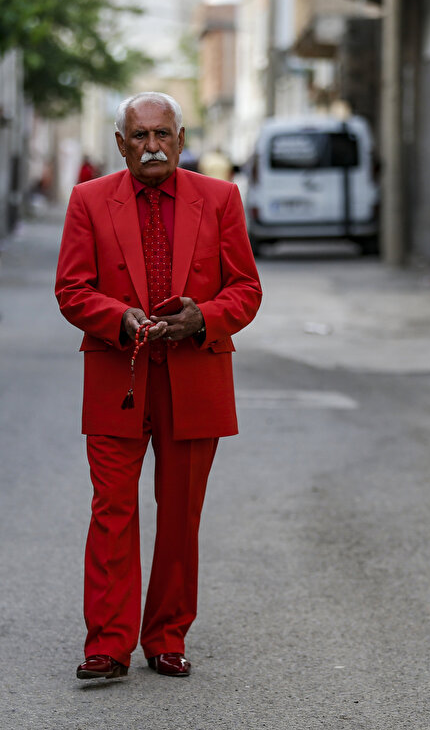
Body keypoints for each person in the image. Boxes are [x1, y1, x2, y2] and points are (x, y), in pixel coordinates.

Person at [55, 92, 263, 681]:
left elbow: (246, 289)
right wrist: (117, 317)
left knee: (179, 516)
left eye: (163, 134)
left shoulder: (220, 198)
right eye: (140, 136)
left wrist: (205, 318)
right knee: (112, 510)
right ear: (121, 145)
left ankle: (167, 636)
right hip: (117, 375)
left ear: (181, 139)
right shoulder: (89, 199)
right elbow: (72, 289)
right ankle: (108, 645)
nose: (152, 146)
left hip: (195, 377)